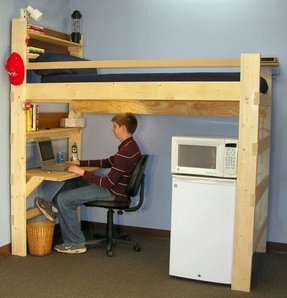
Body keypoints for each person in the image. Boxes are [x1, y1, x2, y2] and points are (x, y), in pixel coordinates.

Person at [35, 113, 142, 254]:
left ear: (123, 128)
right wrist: (80, 163)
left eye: (114, 126)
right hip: (118, 189)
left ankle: (75, 243)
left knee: (64, 199)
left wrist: (82, 172)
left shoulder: (125, 152)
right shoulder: (130, 146)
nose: (112, 129)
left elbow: (107, 182)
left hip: (113, 193)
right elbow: (108, 162)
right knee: (76, 180)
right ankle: (55, 208)